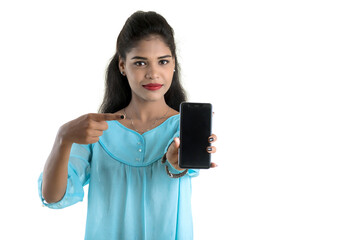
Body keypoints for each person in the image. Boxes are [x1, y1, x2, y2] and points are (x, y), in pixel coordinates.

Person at [38, 11, 217, 240]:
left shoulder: (182, 128)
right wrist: (63, 138)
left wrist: (177, 163)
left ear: (173, 64)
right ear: (122, 66)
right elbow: (53, 196)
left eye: (163, 61)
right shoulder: (97, 130)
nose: (153, 73)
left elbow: (179, 167)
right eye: (140, 62)